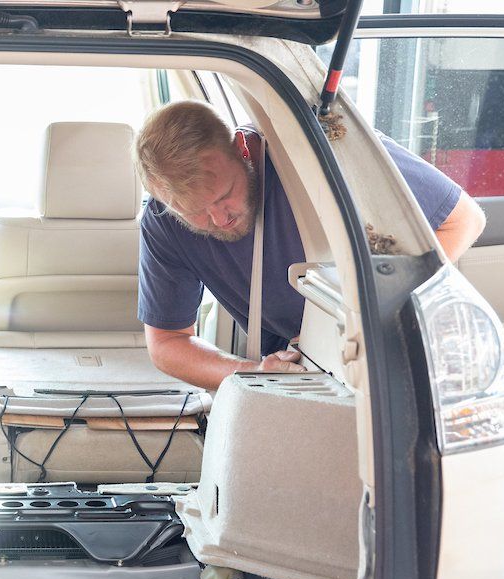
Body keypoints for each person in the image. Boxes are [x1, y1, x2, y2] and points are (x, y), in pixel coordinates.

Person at [134, 100, 486, 391]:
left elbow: (462, 220)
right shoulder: (163, 223)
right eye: (194, 212)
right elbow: (167, 343)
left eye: (224, 195)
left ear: (242, 148)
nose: (218, 218)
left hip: (379, 355)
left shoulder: (323, 156)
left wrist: (374, 315)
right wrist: (253, 373)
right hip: (301, 373)